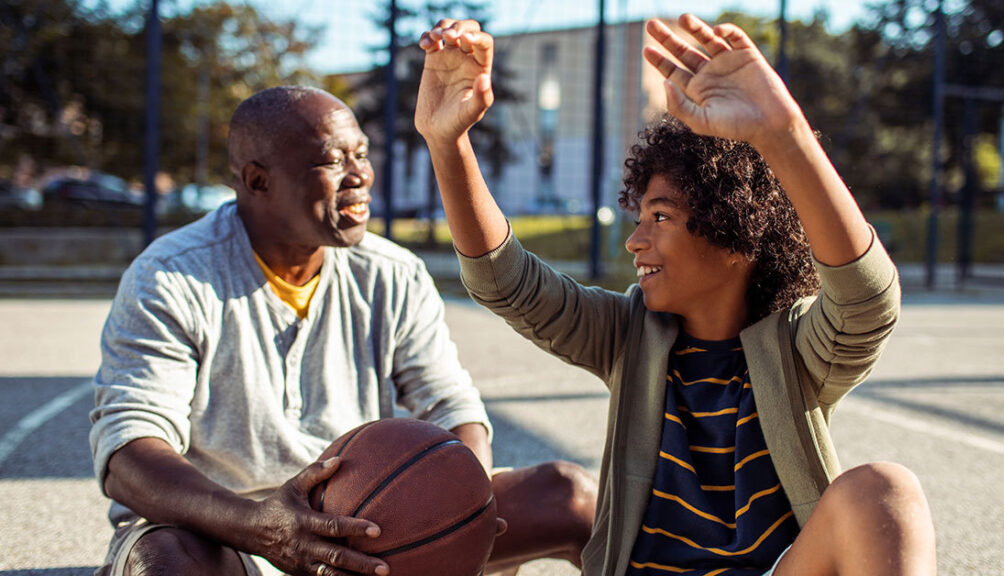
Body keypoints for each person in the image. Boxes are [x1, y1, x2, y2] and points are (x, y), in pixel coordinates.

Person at [415, 14, 936, 576]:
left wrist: (782, 133)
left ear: (737, 231)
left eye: (661, 216)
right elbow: (506, 282)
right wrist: (449, 143)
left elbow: (865, 299)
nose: (636, 241)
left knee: (884, 490)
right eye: (640, 217)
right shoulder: (625, 335)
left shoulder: (799, 352)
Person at [89, 85, 596, 576]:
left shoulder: (392, 272)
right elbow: (130, 450)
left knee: (569, 497)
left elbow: (450, 405)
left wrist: (463, 501)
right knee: (167, 562)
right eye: (333, 161)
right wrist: (257, 526)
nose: (360, 176)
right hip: (223, 529)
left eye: (362, 155)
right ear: (257, 180)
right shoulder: (171, 276)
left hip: (371, 525)